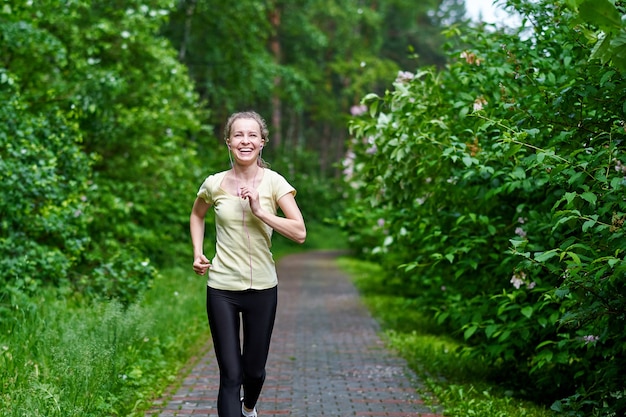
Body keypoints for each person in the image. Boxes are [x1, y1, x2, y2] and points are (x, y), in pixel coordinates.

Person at [189, 111, 306, 417]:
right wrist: (198, 251)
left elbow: (300, 232)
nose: (245, 140)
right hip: (222, 289)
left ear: (262, 142)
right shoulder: (213, 184)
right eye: (238, 135)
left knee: (253, 373)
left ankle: (249, 408)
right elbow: (197, 215)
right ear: (228, 142)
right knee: (230, 376)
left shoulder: (274, 182)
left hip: (263, 289)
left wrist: (261, 211)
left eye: (252, 135)